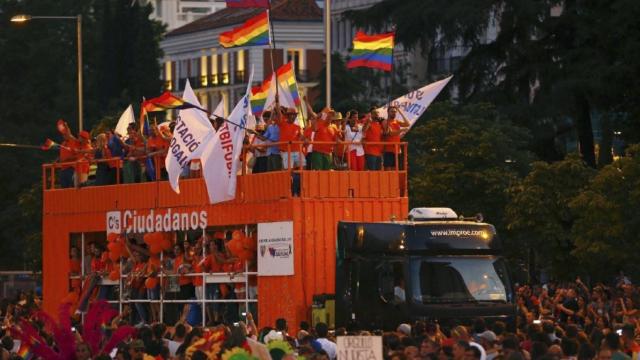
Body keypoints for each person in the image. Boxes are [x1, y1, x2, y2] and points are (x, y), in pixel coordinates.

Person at [382, 106, 410, 170]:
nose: (394, 113)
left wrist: (400, 112)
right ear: (388, 112)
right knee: (388, 169)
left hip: (397, 149)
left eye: (395, 112)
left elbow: (407, 124)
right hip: (388, 149)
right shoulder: (385, 121)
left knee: (395, 169)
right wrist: (402, 130)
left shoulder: (396, 121)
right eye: (392, 111)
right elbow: (391, 133)